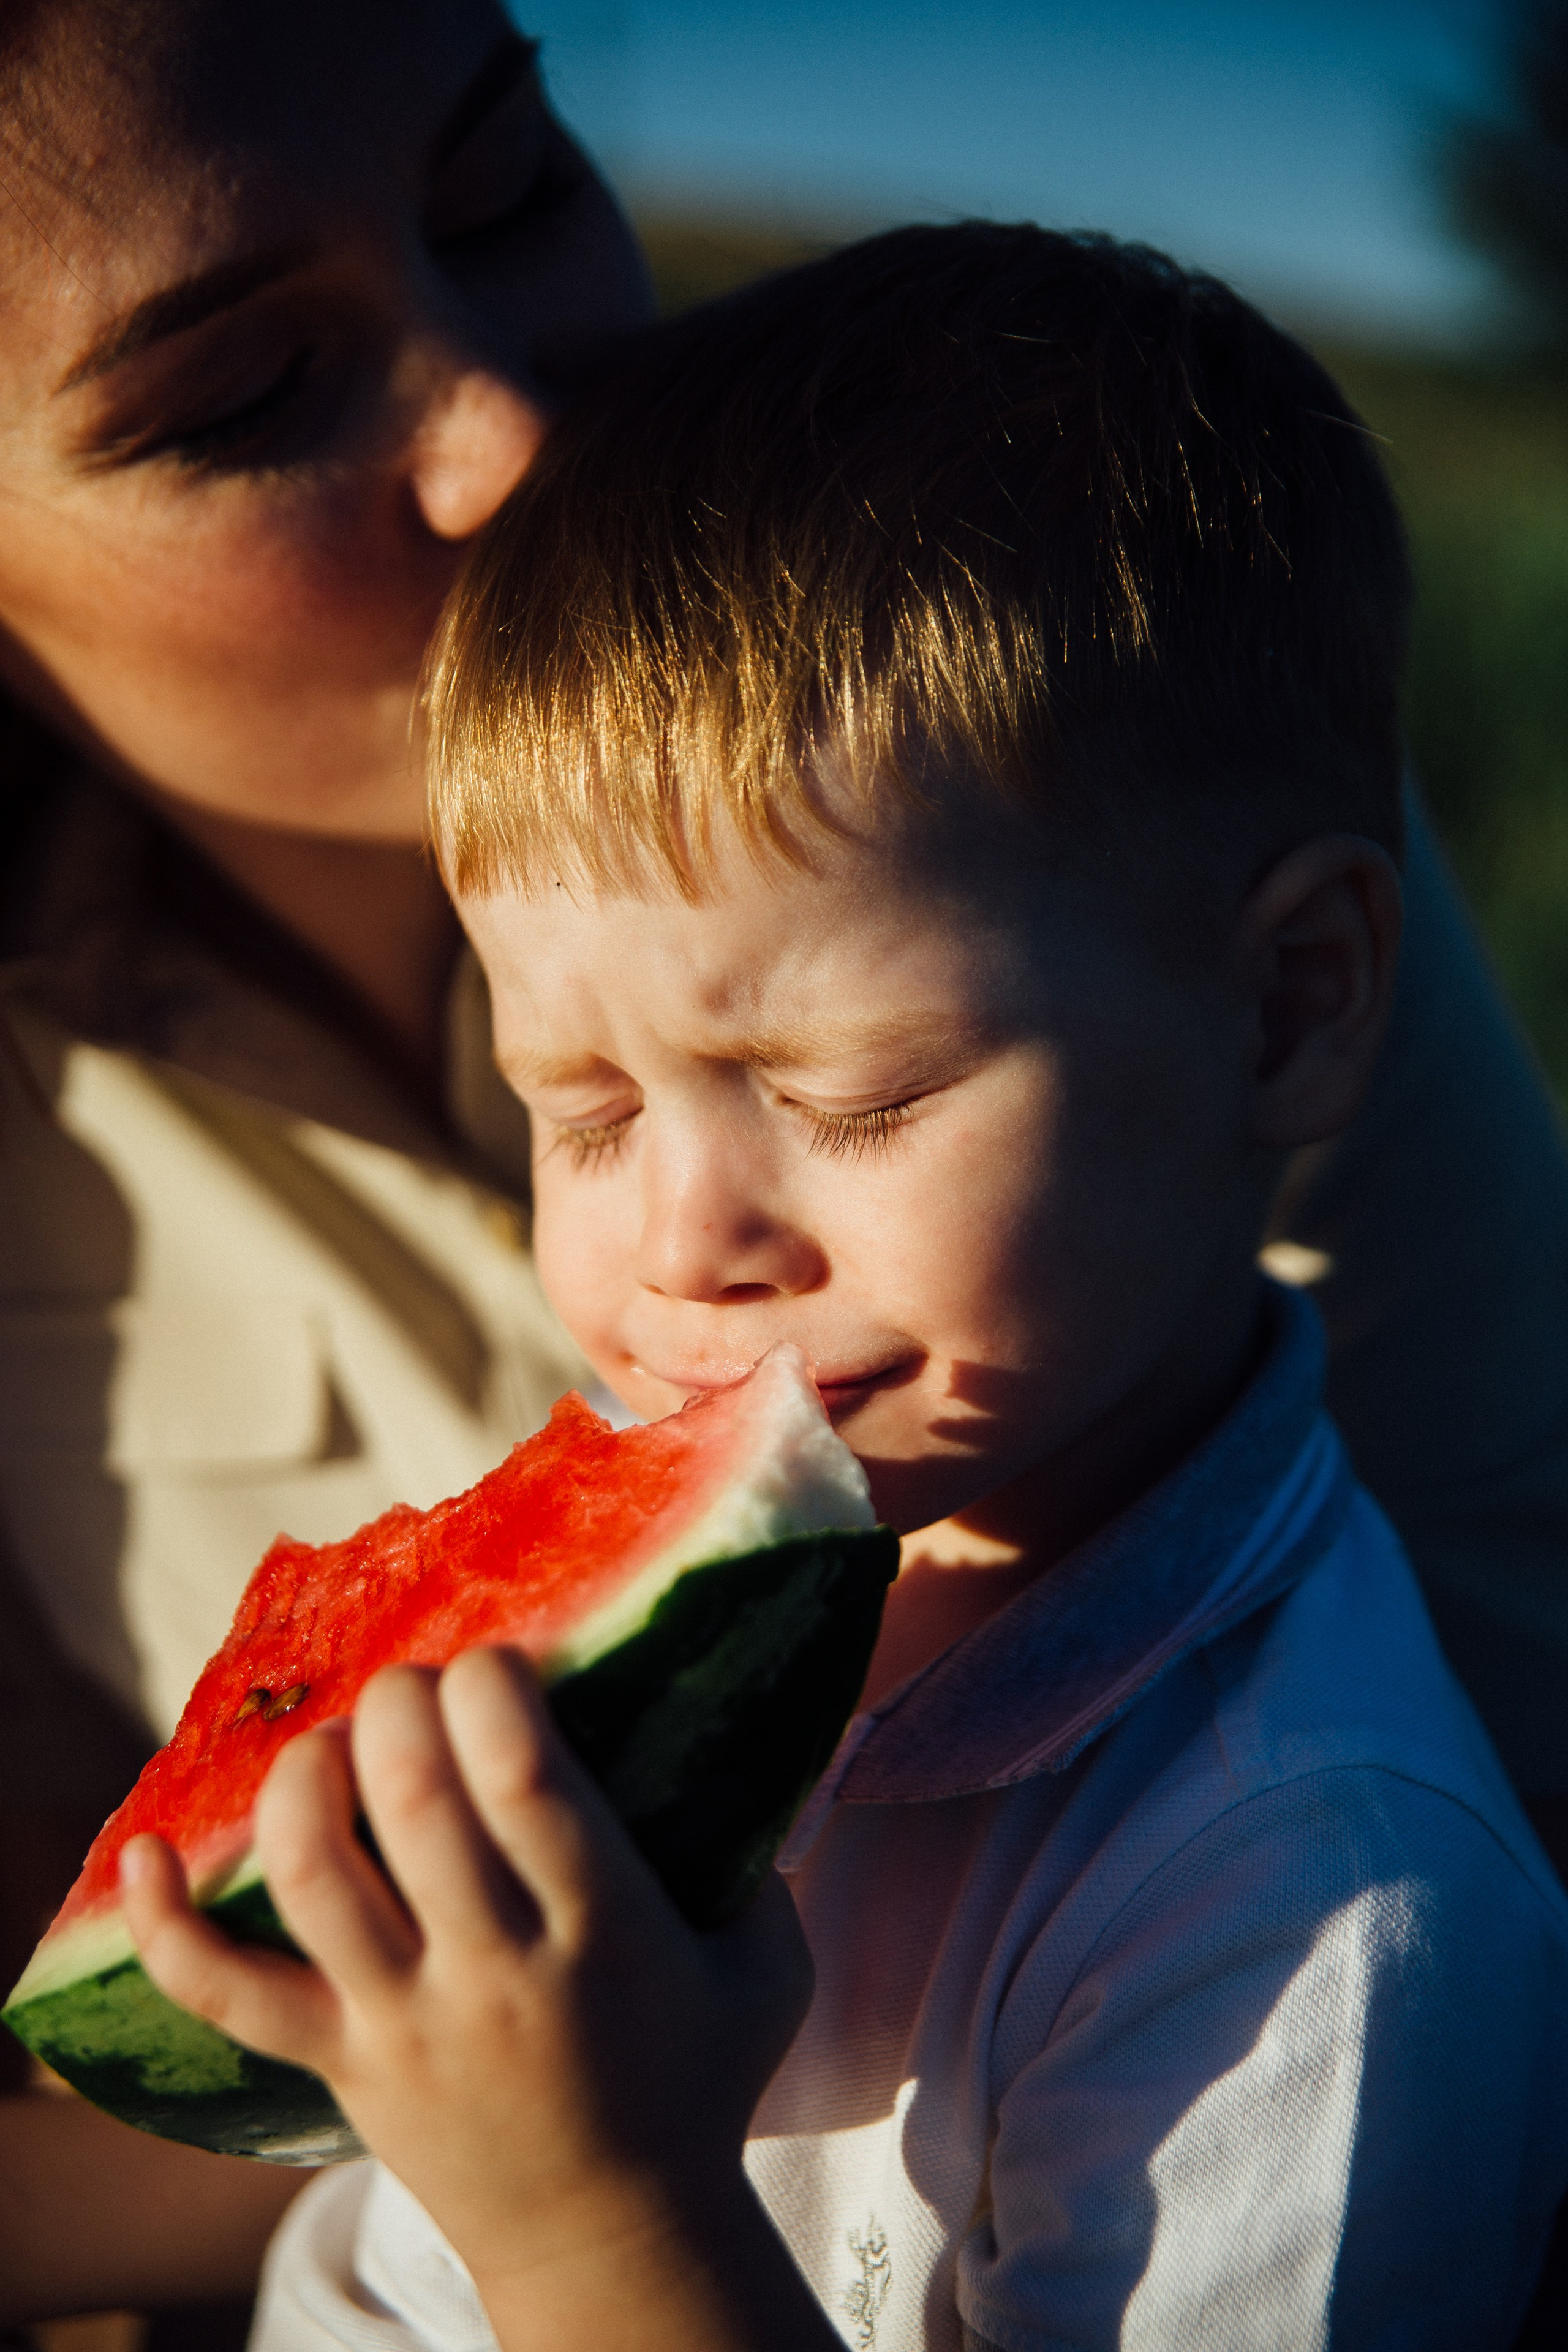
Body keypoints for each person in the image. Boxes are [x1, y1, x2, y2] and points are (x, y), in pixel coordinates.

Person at [2, 0, 1568, 2332]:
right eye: (589, 1111)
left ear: (1281, 1007)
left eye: (510, 184)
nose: (683, 1242)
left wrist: (592, 2212)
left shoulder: (1035, 667)